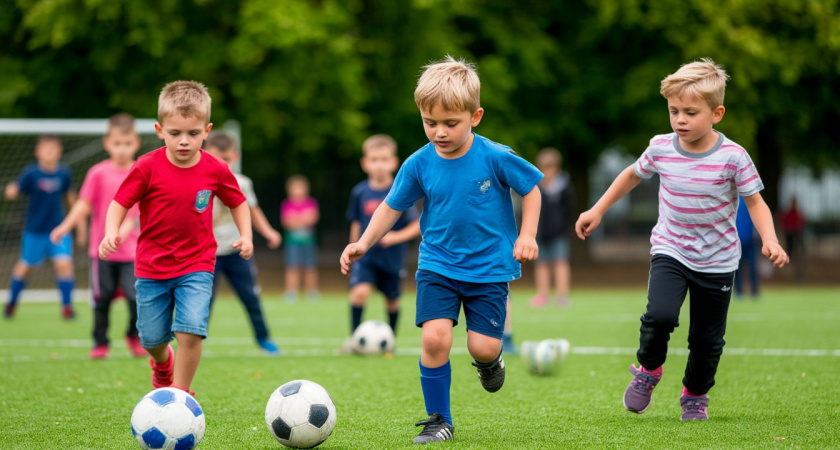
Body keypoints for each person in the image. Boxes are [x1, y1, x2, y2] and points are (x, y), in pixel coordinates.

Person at [340, 55, 543, 444]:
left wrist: (527, 235)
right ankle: (439, 420)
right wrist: (364, 241)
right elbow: (391, 206)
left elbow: (531, 190)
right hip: (437, 264)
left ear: (475, 116)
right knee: (434, 339)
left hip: (489, 269)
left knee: (482, 347)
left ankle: (490, 362)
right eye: (430, 123)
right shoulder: (418, 163)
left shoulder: (495, 156)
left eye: (451, 123)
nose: (439, 132)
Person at [575, 58, 788, 421]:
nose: (680, 120)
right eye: (674, 111)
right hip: (670, 250)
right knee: (659, 315)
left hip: (718, 260)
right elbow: (630, 175)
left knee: (707, 342)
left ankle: (694, 394)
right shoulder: (660, 148)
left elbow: (756, 202)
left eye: (690, 112)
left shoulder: (734, 157)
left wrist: (770, 239)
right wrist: (597, 210)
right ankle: (648, 370)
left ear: (717, 113)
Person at [99, 80, 253, 395]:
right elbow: (120, 203)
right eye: (175, 133)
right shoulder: (146, 167)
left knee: (191, 331)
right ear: (159, 130)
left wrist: (246, 236)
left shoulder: (216, 169)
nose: (184, 141)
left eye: (193, 134)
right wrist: (111, 231)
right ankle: (161, 364)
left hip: (197, 265)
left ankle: (179, 395)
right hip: (151, 267)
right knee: (152, 339)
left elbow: (238, 201)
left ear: (207, 131)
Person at [50, 113, 145, 359]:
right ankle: (100, 341)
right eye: (117, 143)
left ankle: (133, 336)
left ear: (136, 142)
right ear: (107, 143)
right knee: (101, 298)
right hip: (100, 252)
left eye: (127, 143)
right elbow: (83, 204)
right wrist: (64, 226)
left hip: (133, 252)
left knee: (136, 297)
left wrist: (123, 232)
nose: (122, 149)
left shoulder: (141, 171)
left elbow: (136, 213)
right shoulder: (98, 173)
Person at [204, 132, 282, 355]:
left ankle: (264, 338)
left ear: (235, 157)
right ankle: (195, 342)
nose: (221, 164)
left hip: (238, 252)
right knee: (203, 302)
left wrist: (268, 232)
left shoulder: (242, 183)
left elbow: (252, 210)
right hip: (208, 254)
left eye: (226, 159)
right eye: (216, 158)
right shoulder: (201, 184)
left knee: (250, 296)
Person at [343, 134, 420, 352]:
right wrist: (352, 250)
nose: (379, 165)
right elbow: (356, 223)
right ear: (365, 163)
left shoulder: (400, 191)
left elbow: (417, 225)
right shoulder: (359, 192)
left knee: (392, 301)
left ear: (394, 162)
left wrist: (395, 237)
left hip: (392, 259)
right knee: (359, 293)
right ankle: (355, 340)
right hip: (366, 258)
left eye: (384, 159)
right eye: (374, 159)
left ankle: (390, 342)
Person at [4, 135, 81, 320]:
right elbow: (16, 189)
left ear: (59, 151)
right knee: (25, 267)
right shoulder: (31, 173)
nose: (49, 153)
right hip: (34, 231)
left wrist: (80, 225)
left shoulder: (63, 173)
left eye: (53, 149)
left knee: (64, 264)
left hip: (58, 230)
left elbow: (72, 199)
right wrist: (11, 191)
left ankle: (67, 308)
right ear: (38, 152)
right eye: (45, 149)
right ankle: (12, 304)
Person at [530, 147, 575, 308]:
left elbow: (570, 208)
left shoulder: (565, 185)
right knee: (541, 264)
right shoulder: (535, 186)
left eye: (551, 167)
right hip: (540, 232)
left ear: (557, 167)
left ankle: (562, 296)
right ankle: (542, 295)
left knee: (560, 262)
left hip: (559, 232)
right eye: (544, 167)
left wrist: (565, 227)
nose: (548, 171)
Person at [280, 174, 319, 302]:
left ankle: (312, 292)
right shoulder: (286, 204)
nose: (298, 191)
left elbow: (312, 218)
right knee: (292, 267)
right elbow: (286, 221)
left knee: (310, 267)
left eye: (300, 188)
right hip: (292, 242)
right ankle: (291, 292)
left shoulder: (311, 202)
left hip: (308, 241)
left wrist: (296, 219)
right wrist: (302, 218)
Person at [733, 196, 759, 300]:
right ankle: (739, 292)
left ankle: (754, 291)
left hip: (750, 239)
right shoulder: (732, 196)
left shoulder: (750, 195)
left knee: (752, 266)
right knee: (737, 268)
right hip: (736, 240)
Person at [780, 196, 806, 282]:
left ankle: (799, 275)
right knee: (789, 252)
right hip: (790, 237)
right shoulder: (789, 214)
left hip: (797, 237)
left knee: (799, 256)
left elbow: (801, 225)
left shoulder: (798, 214)